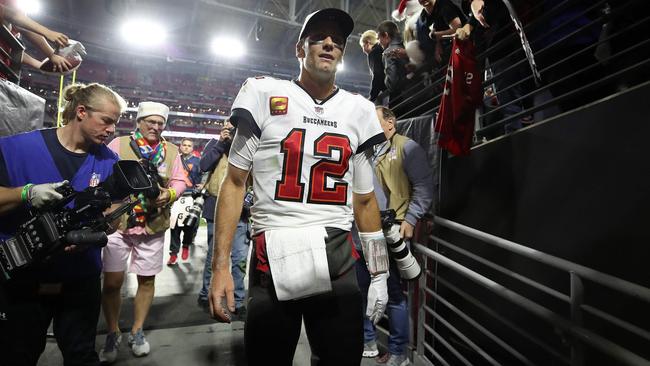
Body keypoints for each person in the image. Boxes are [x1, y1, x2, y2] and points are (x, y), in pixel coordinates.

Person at [209, 8, 390, 365]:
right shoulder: (263, 92)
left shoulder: (359, 110)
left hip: (336, 251)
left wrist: (380, 272)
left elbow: (366, 201)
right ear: (299, 48)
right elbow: (233, 183)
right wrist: (220, 267)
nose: (328, 44)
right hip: (271, 251)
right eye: (318, 37)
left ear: (342, 52)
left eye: (336, 40)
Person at [0, 82, 126, 366]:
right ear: (81, 111)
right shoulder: (15, 148)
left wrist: (104, 226)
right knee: (16, 355)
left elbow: (118, 211)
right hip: (23, 278)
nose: (111, 130)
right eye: (106, 121)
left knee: (81, 355)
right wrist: (26, 193)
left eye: (115, 123)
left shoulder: (109, 160)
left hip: (80, 279)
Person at [99, 102, 187, 363]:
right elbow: (103, 172)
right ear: (139, 122)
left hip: (153, 224)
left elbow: (180, 180)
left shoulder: (171, 151)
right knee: (112, 282)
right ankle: (113, 331)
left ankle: (137, 330)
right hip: (119, 222)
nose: (155, 127)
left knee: (147, 280)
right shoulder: (118, 144)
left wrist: (170, 193)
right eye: (150, 121)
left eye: (160, 123)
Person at [359, 106, 434, 366]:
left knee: (392, 293)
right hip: (363, 230)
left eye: (374, 120)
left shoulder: (407, 147)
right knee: (361, 288)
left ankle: (399, 351)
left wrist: (411, 219)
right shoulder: (367, 148)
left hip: (390, 232)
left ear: (390, 123)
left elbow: (424, 186)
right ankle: (368, 341)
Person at [196, 120, 250, 321]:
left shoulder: (249, 145)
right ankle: (206, 294)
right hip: (215, 208)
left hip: (242, 211)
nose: (232, 131)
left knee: (239, 259)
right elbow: (203, 165)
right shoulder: (215, 144)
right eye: (229, 128)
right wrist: (221, 143)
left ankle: (237, 299)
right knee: (215, 256)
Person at [168, 138, 201, 265]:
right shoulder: (175, 159)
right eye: (184, 145)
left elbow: (203, 174)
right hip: (176, 196)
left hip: (190, 197)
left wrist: (201, 185)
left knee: (189, 225)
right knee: (174, 226)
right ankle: (173, 254)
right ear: (180, 146)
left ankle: (186, 245)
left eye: (189, 145)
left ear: (192, 148)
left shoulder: (198, 161)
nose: (186, 147)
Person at [377, 21, 408, 106]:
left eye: (379, 38)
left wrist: (386, 81)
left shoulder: (389, 52)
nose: (379, 42)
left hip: (399, 99)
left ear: (386, 35)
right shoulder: (406, 46)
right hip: (414, 94)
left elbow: (392, 84)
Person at [359, 30, 387, 103]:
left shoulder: (374, 52)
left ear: (367, 42)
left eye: (363, 46)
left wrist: (372, 97)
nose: (363, 50)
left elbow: (378, 74)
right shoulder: (382, 48)